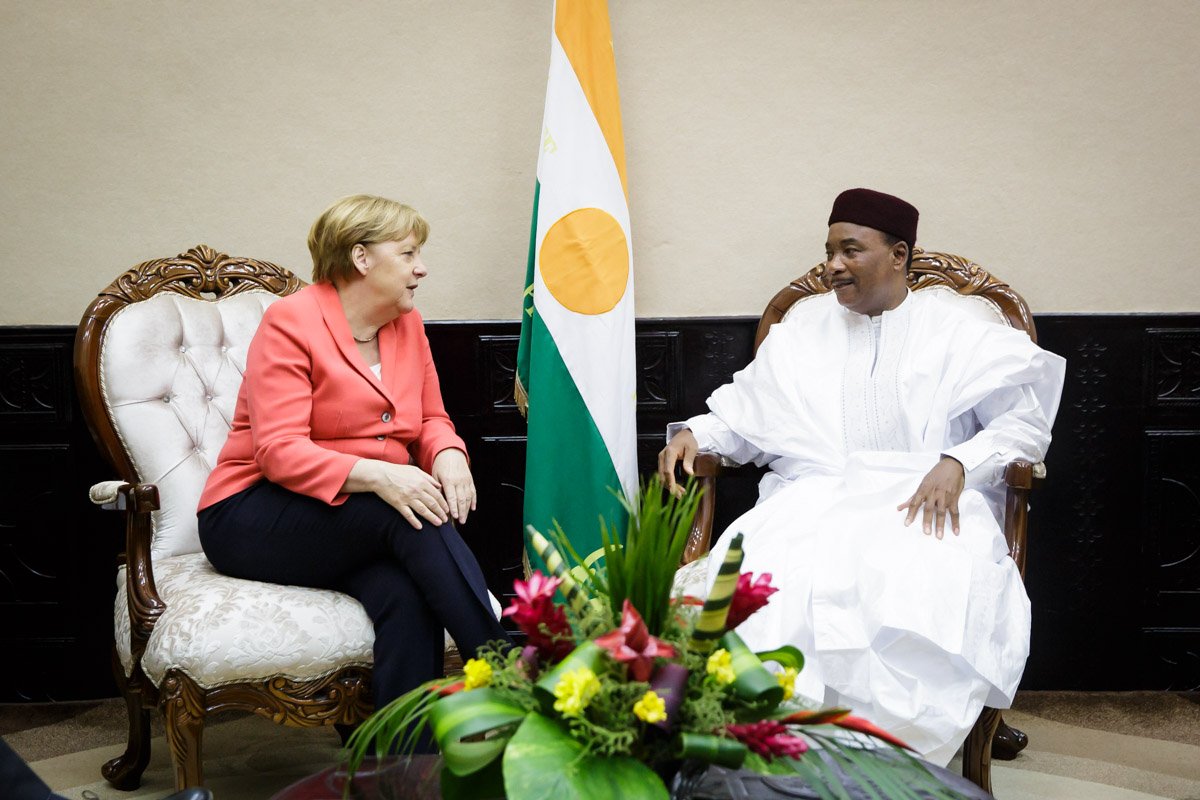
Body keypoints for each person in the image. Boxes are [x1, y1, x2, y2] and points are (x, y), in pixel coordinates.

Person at [658, 188, 1065, 766]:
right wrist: (696, 436)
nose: (832, 266)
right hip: (814, 499)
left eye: (850, 250)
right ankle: (779, 754)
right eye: (829, 251)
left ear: (898, 255)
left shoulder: (957, 327)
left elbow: (1023, 426)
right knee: (769, 582)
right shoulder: (802, 331)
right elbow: (745, 416)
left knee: (908, 586)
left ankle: (888, 759)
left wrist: (959, 462)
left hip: (924, 501)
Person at [198, 194, 510, 716]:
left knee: (407, 596)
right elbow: (278, 451)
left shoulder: (405, 323)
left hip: (348, 521)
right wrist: (383, 477)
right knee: (410, 514)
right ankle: (507, 669)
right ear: (362, 258)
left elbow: (431, 419)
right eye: (409, 254)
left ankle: (400, 769)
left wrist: (449, 454)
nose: (422, 268)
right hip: (252, 514)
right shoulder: (290, 322)